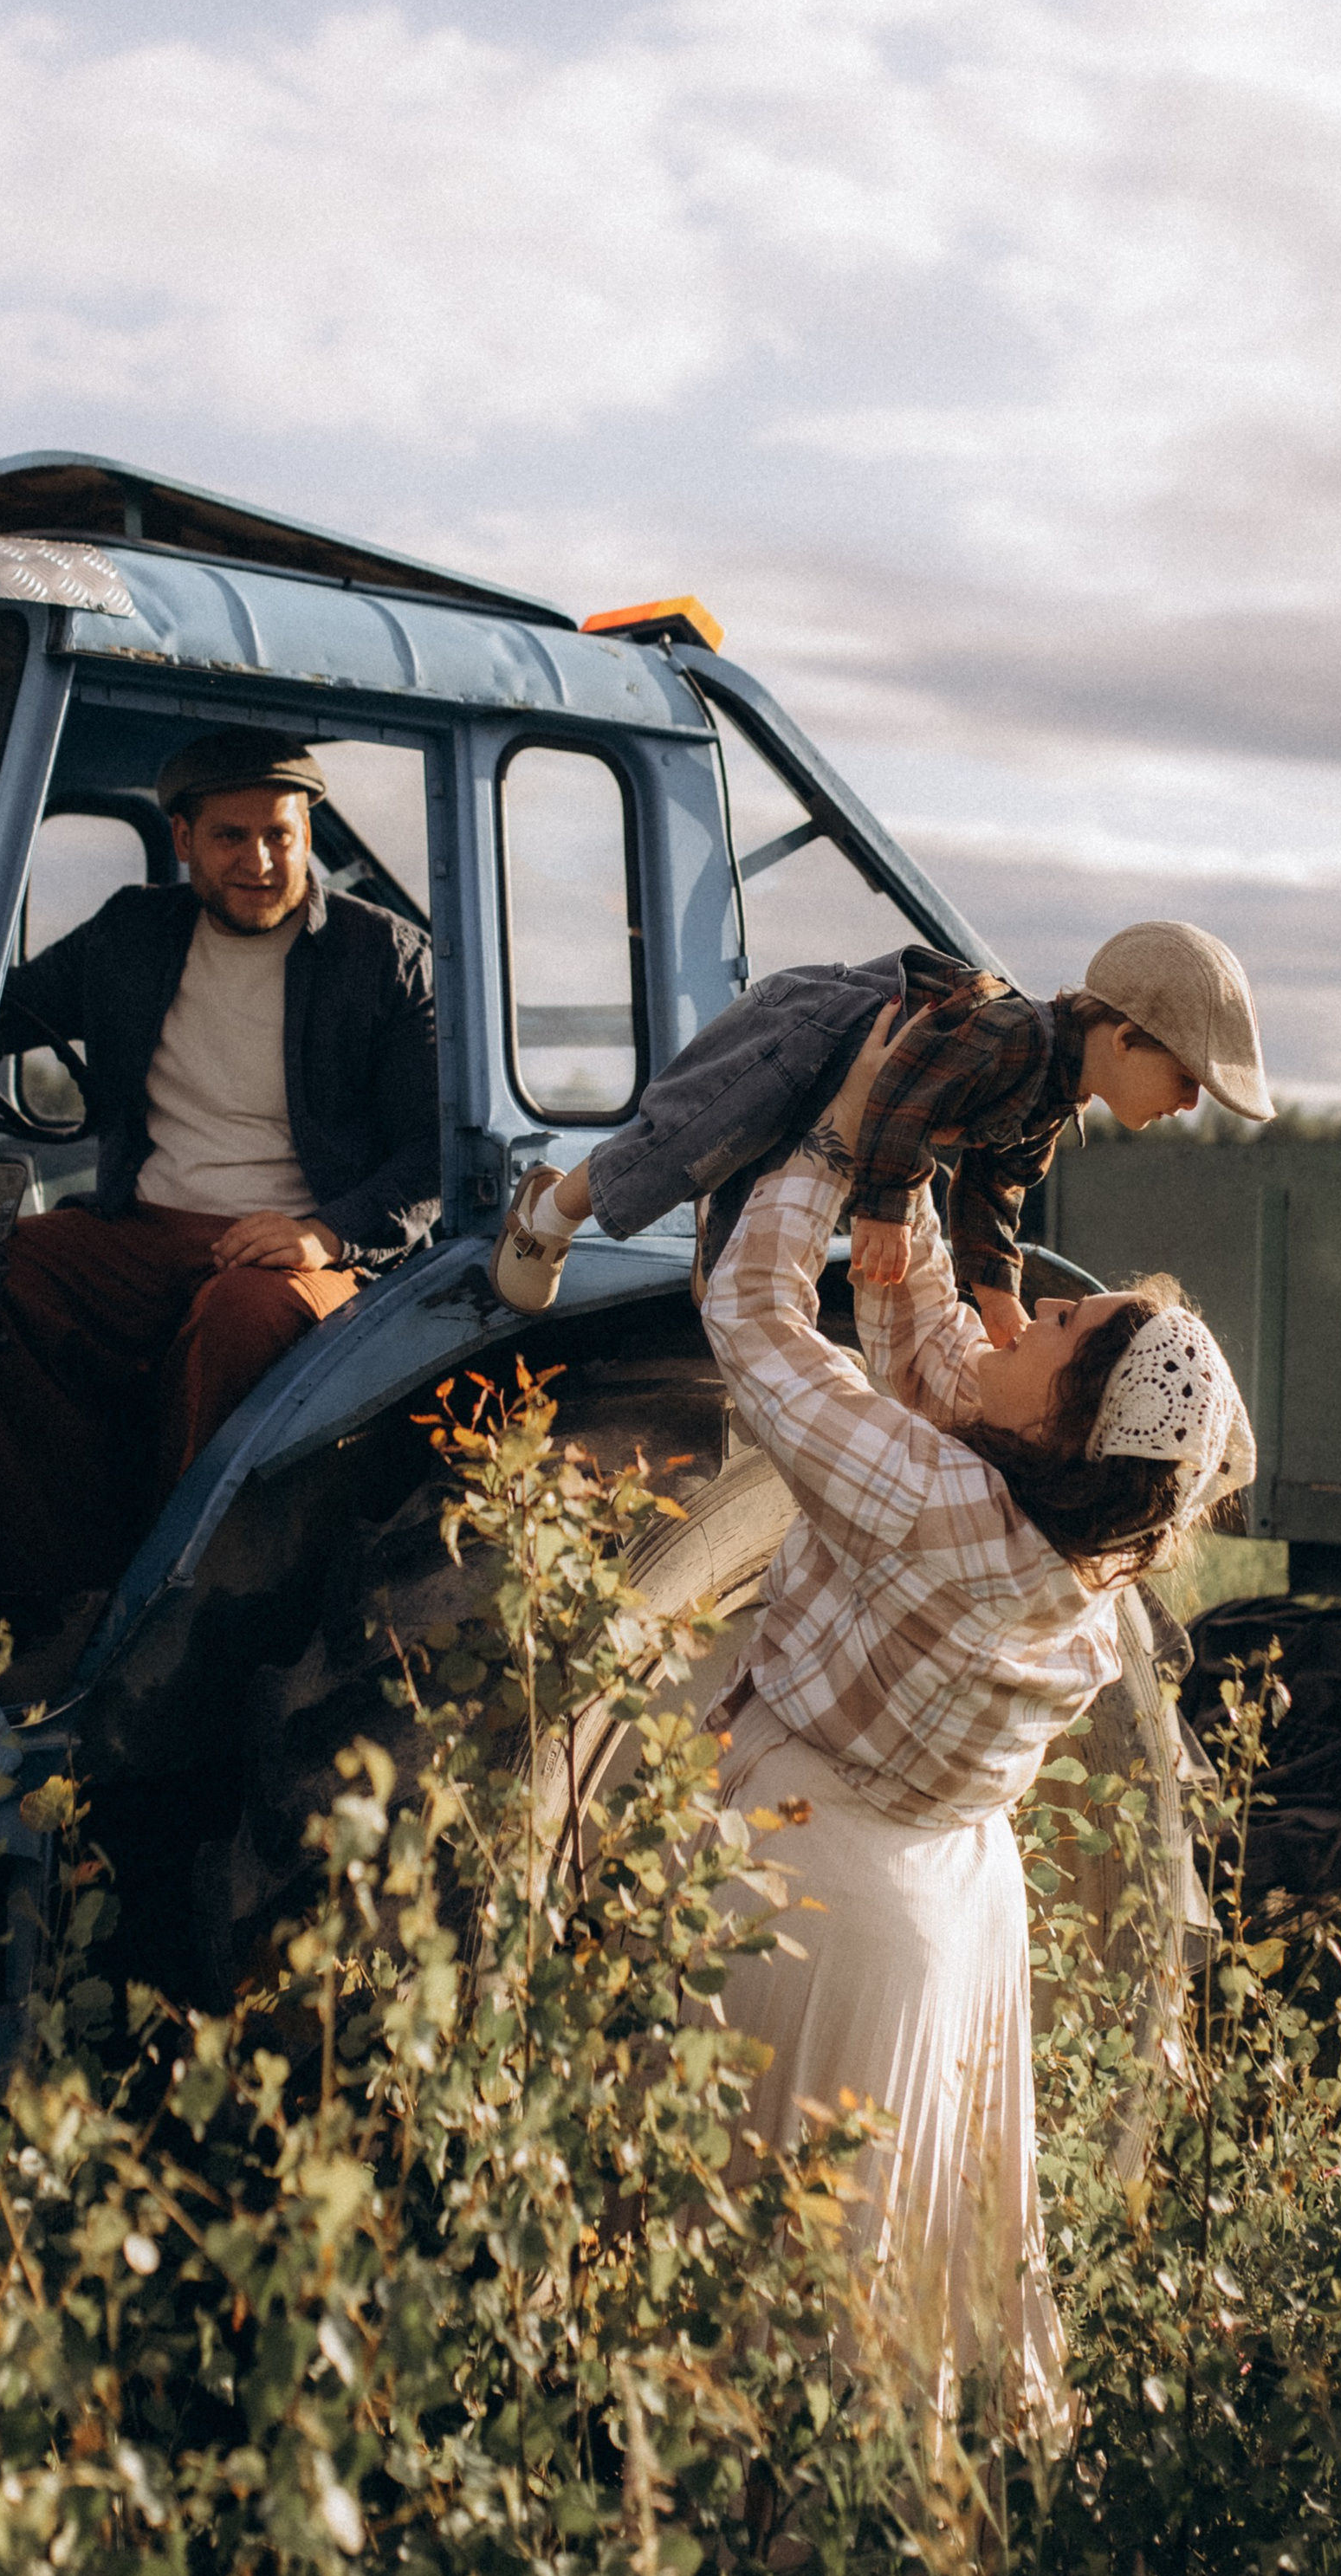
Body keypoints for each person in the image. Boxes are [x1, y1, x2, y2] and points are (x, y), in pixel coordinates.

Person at [693, 1006, 1255, 2428]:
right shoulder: (1082, 1533)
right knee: (884, 2290)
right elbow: (933, 1345)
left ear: (1063, 1428)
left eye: (1060, 1325)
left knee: (767, 2292)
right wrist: (914, 1178)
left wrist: (831, 1148)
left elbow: (756, 1321)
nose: (1030, 1310)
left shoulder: (953, 1512)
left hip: (819, 1902)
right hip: (943, 1898)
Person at [0, 731, 437, 1611]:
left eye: (282, 835)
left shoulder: (382, 956)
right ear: (184, 838)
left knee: (241, 1318)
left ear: (308, 833)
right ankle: (55, 1595)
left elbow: (433, 1154)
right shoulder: (130, 933)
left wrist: (324, 1232)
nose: (261, 862)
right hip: (146, 1229)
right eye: (232, 837)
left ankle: (173, 1610)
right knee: (13, 1268)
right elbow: (4, 1015)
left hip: (307, 1246)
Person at [489, 918, 1272, 1343]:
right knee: (690, 1140)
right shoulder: (1015, 1035)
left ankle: (721, 1229)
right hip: (806, 1038)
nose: (1190, 1105)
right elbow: (903, 1086)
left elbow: (992, 1193)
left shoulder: (1054, 1103)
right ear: (1126, 1037)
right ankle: (550, 1212)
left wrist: (1000, 1301)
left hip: (847, 1110)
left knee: (732, 1272)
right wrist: (886, 1208)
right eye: (1188, 1079)